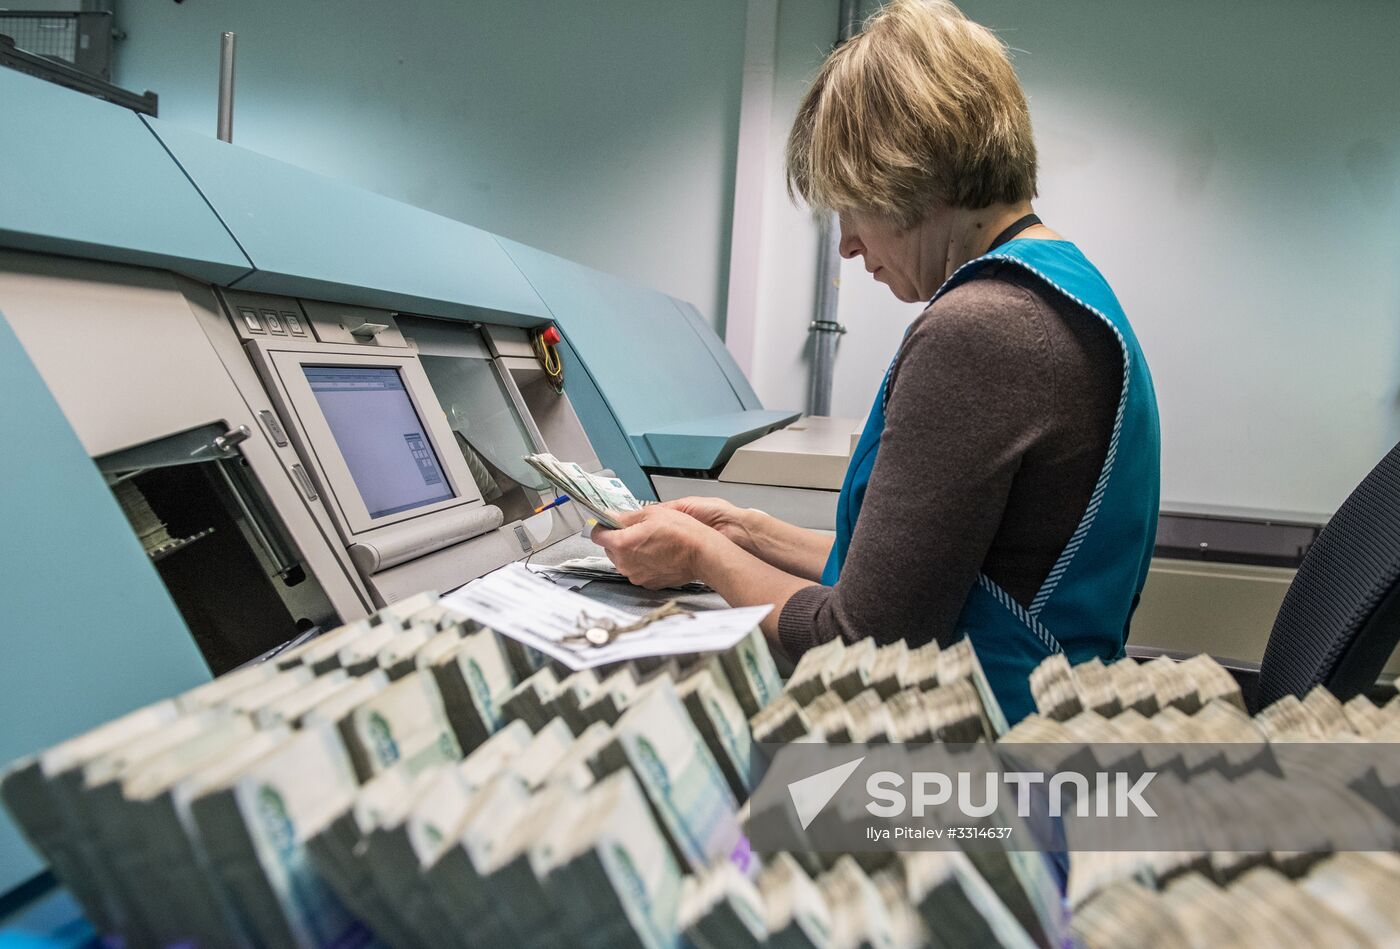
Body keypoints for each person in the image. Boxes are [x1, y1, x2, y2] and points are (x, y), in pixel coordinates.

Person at [593, 0, 1160, 724]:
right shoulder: (1059, 286)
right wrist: (746, 530)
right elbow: (916, 571)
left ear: (911, 173)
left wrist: (702, 557)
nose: (848, 246)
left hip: (983, 766)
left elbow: (857, 638)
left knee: (711, 820)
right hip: (1042, 725)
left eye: (851, 206)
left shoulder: (982, 329)